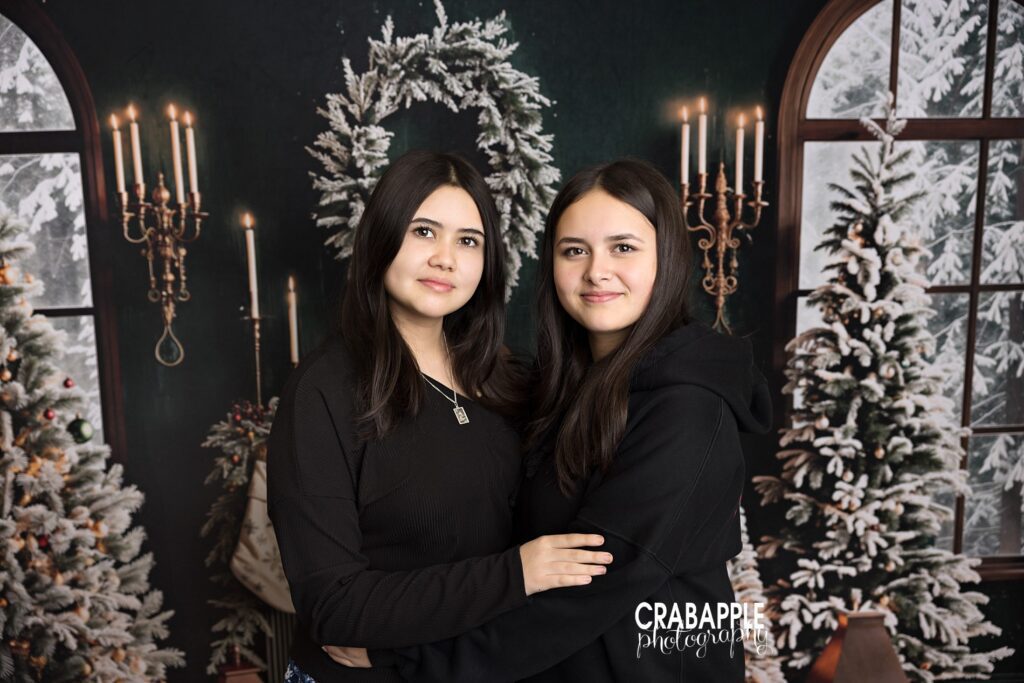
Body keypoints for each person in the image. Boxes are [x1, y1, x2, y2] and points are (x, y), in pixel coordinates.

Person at [326, 158, 773, 681]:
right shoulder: (562, 386)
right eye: (574, 250)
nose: (596, 271)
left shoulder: (688, 408)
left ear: (667, 258)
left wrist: (407, 656)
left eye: (623, 248)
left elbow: (592, 590)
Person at [266, 150, 613, 682]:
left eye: (467, 241)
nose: (446, 259)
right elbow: (333, 606)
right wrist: (515, 574)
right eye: (423, 232)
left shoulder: (510, 382)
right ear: (382, 237)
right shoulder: (322, 393)